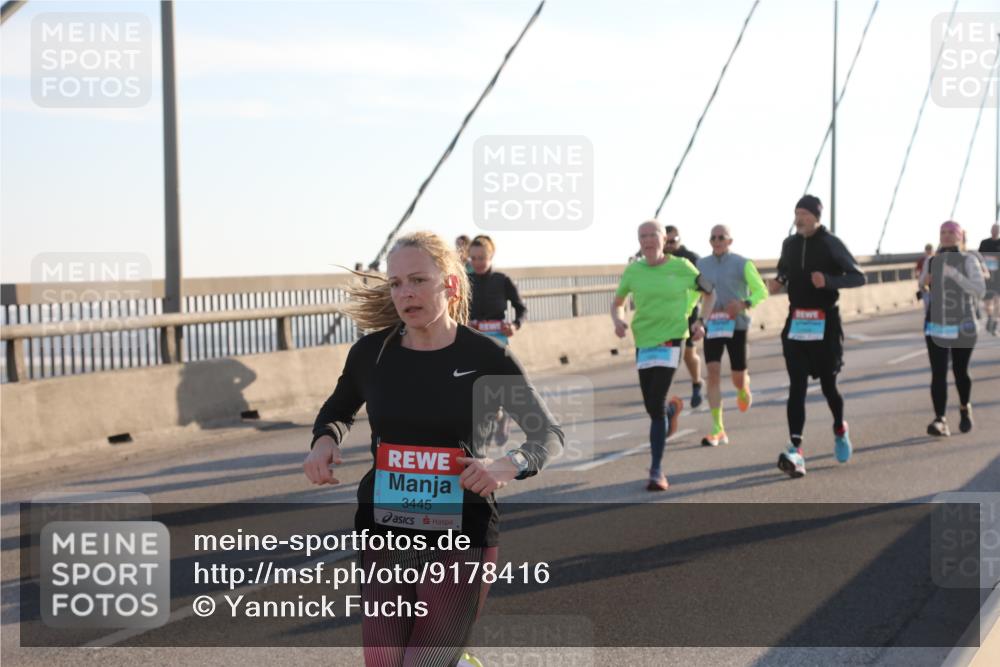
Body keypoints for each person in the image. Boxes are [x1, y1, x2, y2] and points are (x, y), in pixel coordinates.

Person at [303, 231, 563, 666]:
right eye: (396, 283)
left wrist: (507, 464)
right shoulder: (371, 354)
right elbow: (338, 410)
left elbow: (546, 435)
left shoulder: (487, 357)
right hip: (384, 526)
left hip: (461, 533)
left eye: (419, 280)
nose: (405, 293)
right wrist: (324, 441)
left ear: (451, 285)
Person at [767, 195, 865, 478]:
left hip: (826, 324)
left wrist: (830, 281)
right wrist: (778, 282)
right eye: (796, 213)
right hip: (797, 322)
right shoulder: (790, 243)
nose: (799, 219)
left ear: (816, 217)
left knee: (828, 386)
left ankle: (839, 428)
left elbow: (858, 276)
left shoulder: (831, 243)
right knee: (796, 385)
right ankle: (795, 449)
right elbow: (785, 270)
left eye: (804, 214)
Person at [613, 220, 714, 491]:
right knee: (651, 406)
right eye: (642, 236)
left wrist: (700, 322)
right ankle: (672, 409)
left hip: (672, 340)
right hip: (644, 342)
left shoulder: (681, 267)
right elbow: (618, 303)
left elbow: (710, 292)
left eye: (652, 235)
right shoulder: (634, 270)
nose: (647, 240)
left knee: (655, 405)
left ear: (663, 238)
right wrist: (618, 321)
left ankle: (656, 470)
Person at [695, 225, 768, 447]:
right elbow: (693, 293)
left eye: (721, 237)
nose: (716, 241)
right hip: (712, 325)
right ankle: (718, 428)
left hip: (736, 325)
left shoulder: (742, 263)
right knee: (713, 371)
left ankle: (743, 386)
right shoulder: (701, 265)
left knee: (737, 376)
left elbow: (761, 291)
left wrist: (744, 303)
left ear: (730, 241)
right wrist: (697, 319)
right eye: (713, 238)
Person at [922, 221, 986, 436]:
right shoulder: (931, 261)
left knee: (960, 372)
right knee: (938, 373)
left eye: (951, 232)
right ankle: (940, 419)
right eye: (942, 232)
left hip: (963, 324)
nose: (946, 236)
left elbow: (979, 290)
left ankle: (964, 407)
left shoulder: (969, 260)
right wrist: (925, 283)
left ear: (960, 237)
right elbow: (923, 285)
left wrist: (955, 275)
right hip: (936, 324)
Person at [468, 234, 527, 446]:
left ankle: (503, 416)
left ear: (491, 256)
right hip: (474, 339)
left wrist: (514, 325)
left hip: (498, 339)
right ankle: (495, 419)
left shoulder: (502, 280)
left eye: (481, 257)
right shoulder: (467, 281)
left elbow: (521, 309)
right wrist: (466, 322)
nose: (477, 263)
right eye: (473, 258)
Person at [665, 225, 706, 408]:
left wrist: (697, 315)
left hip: (688, 312)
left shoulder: (691, 259)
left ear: (679, 239)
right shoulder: (657, 259)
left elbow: (704, 287)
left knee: (689, 353)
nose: (670, 245)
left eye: (673, 241)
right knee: (666, 356)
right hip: (664, 315)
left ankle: (697, 382)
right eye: (666, 241)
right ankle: (663, 401)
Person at [978, 223, 1000, 335]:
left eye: (996, 229)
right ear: (991, 230)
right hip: (987, 277)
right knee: (988, 301)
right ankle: (990, 317)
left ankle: (995, 323)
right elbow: (979, 257)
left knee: (998, 302)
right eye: (993, 229)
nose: (994, 231)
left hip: (998, 277)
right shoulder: (984, 243)